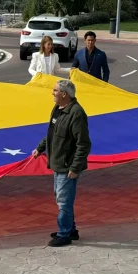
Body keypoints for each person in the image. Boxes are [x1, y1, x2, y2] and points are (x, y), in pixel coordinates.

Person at [31, 79, 91, 247]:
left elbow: (83, 144)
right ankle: (70, 229)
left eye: (55, 90)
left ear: (64, 94)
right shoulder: (58, 109)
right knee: (62, 198)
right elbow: (51, 133)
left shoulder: (77, 113)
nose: (53, 93)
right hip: (57, 163)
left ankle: (64, 234)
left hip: (68, 167)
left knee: (64, 201)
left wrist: (75, 167)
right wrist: (40, 148)